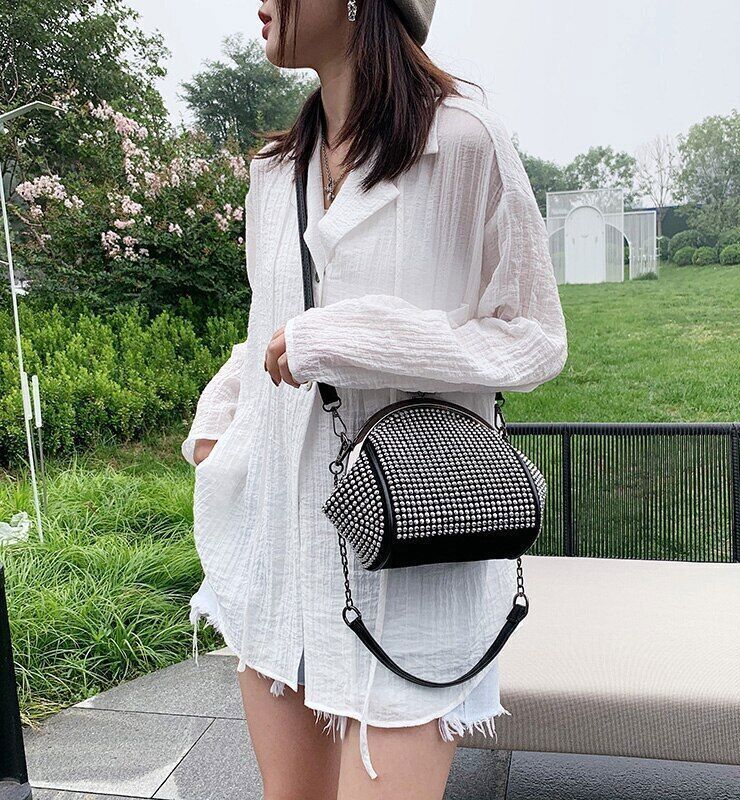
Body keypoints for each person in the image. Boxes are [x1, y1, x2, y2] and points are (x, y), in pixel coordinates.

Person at [182, 0, 568, 797]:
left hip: (410, 561)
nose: (259, 4)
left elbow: (533, 337)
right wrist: (218, 427)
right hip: (279, 556)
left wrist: (355, 342)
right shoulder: (275, 172)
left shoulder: (464, 142)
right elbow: (266, 333)